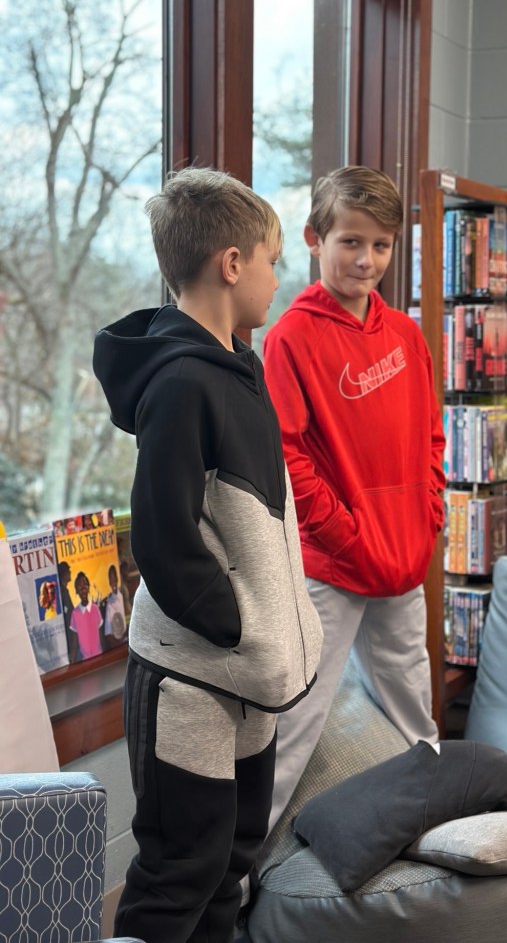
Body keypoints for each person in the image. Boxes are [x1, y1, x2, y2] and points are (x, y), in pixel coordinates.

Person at [92, 166, 323, 943]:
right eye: (271, 261)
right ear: (231, 263)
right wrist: (239, 624)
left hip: (247, 682)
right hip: (191, 678)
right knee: (179, 871)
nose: (277, 278)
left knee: (231, 861)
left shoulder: (242, 370)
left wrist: (264, 636)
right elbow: (162, 537)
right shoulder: (182, 383)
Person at [262, 165, 445, 831]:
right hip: (331, 566)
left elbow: (430, 436)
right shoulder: (290, 337)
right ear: (315, 238)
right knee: (297, 716)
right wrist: (344, 535)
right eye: (351, 242)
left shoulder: (406, 335)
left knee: (413, 705)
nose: (367, 260)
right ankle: (238, 872)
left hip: (402, 559)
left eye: (381, 245)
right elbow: (286, 457)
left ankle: (431, 829)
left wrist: (428, 515)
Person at [69, 571, 104, 660]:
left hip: (99, 657)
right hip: (85, 660)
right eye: (79, 587)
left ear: (88, 587)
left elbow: (101, 637)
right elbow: (74, 644)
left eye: (85, 585)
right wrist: (72, 662)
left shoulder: (96, 609)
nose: (83, 589)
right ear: (76, 591)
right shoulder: (75, 613)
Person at [102, 563, 128, 648]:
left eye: (114, 578)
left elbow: (128, 618)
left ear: (117, 578)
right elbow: (108, 633)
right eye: (111, 579)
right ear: (109, 582)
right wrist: (117, 645)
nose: (113, 582)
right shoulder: (109, 603)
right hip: (117, 644)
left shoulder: (122, 596)